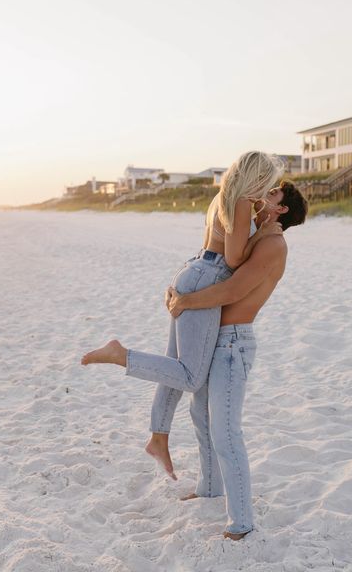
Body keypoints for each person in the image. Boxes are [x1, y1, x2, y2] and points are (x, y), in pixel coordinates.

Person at [81, 181, 308, 540]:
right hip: (218, 337)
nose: (263, 194)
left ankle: (242, 524)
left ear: (280, 210)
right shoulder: (260, 238)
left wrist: (186, 302)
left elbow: (233, 290)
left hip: (233, 345)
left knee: (226, 434)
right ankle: (208, 489)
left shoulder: (273, 244)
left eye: (272, 193)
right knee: (201, 418)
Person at [81, 152, 284, 480]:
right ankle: (122, 355)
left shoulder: (223, 197)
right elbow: (232, 259)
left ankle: (158, 437)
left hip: (193, 268)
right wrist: (262, 234)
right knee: (190, 376)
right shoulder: (243, 201)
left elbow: (219, 244)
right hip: (209, 274)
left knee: (174, 363)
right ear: (256, 177)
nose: (269, 187)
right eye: (268, 180)